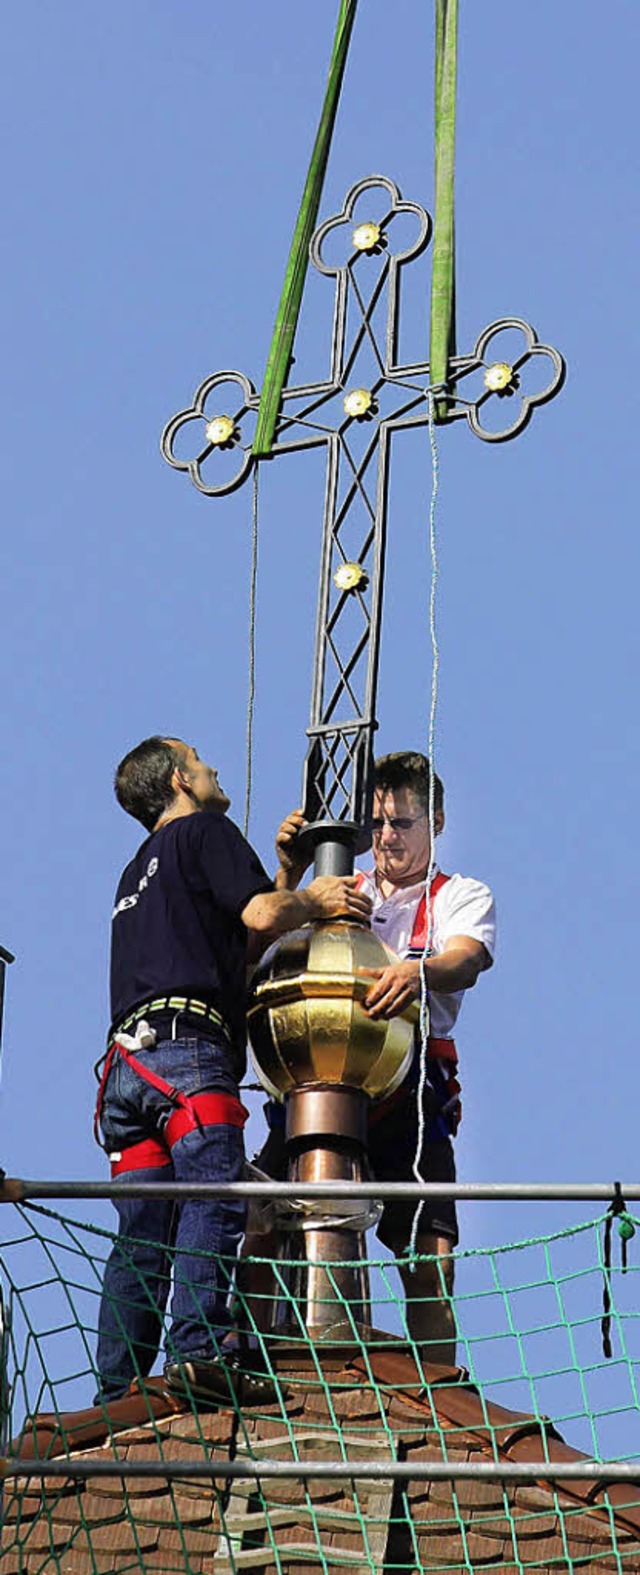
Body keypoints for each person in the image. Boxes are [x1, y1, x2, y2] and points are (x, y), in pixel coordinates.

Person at [94, 735, 371, 1408]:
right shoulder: (207, 830)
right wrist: (318, 895)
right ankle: (197, 1350)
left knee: (144, 1228)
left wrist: (284, 873)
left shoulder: (137, 870)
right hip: (188, 1056)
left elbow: (241, 942)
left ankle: (118, 1389)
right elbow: (264, 916)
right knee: (212, 1193)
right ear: (180, 782)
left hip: (127, 1071)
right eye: (199, 760)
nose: (213, 767)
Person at [258, 750, 496, 1364]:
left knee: (429, 1254)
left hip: (411, 1089)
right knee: (259, 1221)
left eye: (403, 824)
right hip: (320, 1079)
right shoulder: (341, 889)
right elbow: (264, 944)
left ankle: (441, 1392)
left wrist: (416, 973)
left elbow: (468, 957)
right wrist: (291, 875)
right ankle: (248, 1359)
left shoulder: (457, 895)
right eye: (379, 824)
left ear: (436, 822)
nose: (387, 838)